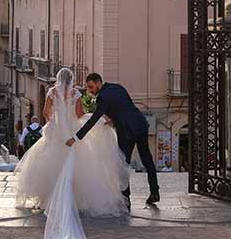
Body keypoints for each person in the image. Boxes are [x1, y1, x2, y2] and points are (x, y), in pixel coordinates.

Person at [16, 69, 129, 218]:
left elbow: (45, 112)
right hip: (71, 131)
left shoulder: (52, 92)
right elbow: (80, 114)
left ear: (58, 78)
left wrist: (53, 121)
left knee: (50, 163)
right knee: (79, 164)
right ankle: (75, 198)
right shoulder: (76, 93)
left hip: (55, 132)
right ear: (71, 79)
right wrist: (96, 118)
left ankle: (49, 198)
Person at [66, 73, 160, 206]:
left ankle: (125, 199)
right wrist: (114, 120)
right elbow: (123, 107)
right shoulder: (117, 87)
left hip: (127, 131)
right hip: (140, 123)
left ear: (98, 82)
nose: (90, 91)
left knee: (122, 164)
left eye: (91, 87)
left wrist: (76, 137)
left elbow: (94, 119)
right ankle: (154, 192)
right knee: (147, 159)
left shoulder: (102, 97)